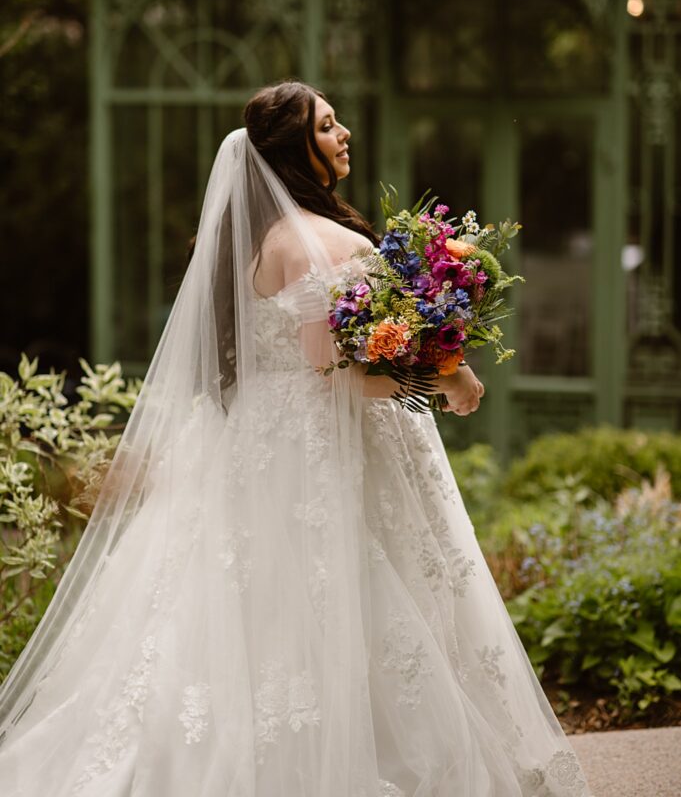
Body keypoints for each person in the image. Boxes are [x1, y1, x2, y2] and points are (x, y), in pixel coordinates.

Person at [0, 80, 591, 796]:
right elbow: (329, 371)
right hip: (325, 443)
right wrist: (440, 378)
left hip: (262, 439)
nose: (344, 135)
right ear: (292, 147)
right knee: (351, 587)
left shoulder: (248, 244)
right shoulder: (321, 243)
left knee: (253, 601)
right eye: (327, 125)